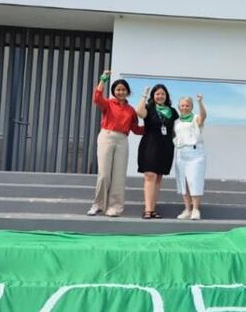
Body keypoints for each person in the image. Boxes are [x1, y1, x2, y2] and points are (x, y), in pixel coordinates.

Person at [88, 70, 143, 217]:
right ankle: (98, 205)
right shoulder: (108, 104)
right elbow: (97, 97)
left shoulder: (131, 110)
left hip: (122, 140)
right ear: (114, 92)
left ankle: (115, 207)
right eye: (118, 90)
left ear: (127, 92)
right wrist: (103, 80)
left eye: (123, 90)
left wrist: (152, 128)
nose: (120, 92)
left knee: (119, 176)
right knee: (104, 174)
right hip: (107, 136)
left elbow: (136, 129)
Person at [134, 83, 177, 219]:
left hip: (165, 146)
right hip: (150, 145)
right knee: (150, 176)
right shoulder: (149, 108)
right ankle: (147, 209)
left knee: (158, 178)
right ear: (153, 95)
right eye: (157, 93)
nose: (160, 96)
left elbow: (175, 129)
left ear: (166, 96)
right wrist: (144, 95)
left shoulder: (172, 111)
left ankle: (153, 209)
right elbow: (139, 112)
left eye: (162, 94)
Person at [173, 94, 207, 220]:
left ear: (191, 107)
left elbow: (203, 116)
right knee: (184, 183)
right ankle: (187, 209)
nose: (185, 107)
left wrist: (200, 102)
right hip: (181, 154)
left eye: (187, 105)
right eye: (182, 105)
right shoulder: (176, 122)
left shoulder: (196, 118)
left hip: (195, 154)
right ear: (179, 107)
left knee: (195, 181)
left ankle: (196, 209)